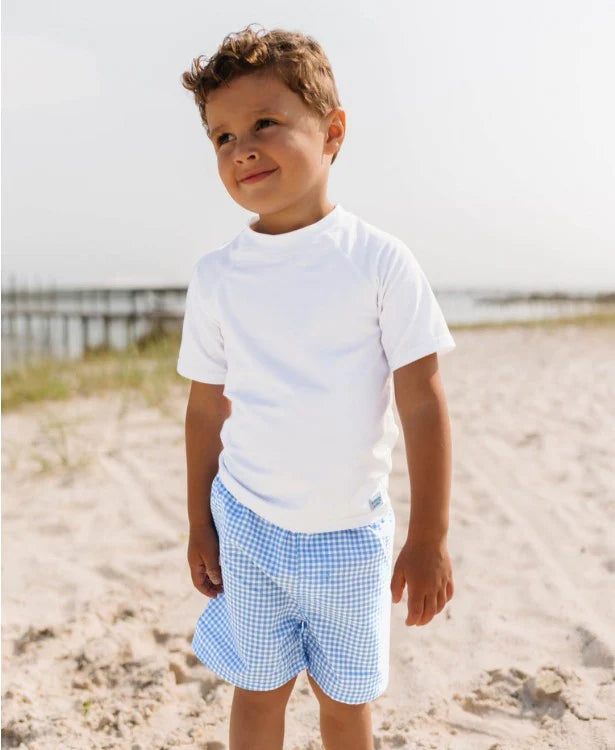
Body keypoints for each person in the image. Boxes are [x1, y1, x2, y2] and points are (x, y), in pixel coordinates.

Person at [177, 23, 456, 750]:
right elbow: (206, 407)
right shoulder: (216, 277)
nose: (241, 148)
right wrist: (197, 521)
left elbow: (422, 399)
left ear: (331, 132)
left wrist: (427, 535)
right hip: (247, 526)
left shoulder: (379, 262)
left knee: (345, 698)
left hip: (349, 538)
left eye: (264, 123)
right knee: (258, 688)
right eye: (221, 136)